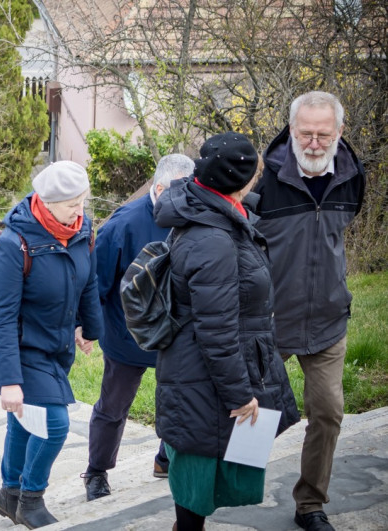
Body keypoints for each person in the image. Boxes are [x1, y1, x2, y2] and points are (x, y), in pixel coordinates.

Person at [153, 132, 300, 531]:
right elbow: (216, 330)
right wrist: (239, 395)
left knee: (207, 467)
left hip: (219, 366)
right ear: (241, 179)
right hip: (206, 374)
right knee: (197, 475)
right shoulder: (213, 238)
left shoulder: (216, 214)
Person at [254, 91, 365, 531]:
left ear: (339, 131)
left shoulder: (352, 176)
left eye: (323, 134)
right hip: (269, 320)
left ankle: (310, 505)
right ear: (291, 130)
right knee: (254, 412)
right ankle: (234, 488)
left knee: (328, 413)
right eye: (306, 134)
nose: (314, 143)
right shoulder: (263, 180)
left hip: (327, 320)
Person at [0, 161, 104, 528]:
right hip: (17, 343)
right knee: (55, 423)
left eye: (82, 202)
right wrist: (9, 381)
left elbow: (88, 281)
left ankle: (9, 494)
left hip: (53, 339)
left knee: (26, 420)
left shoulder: (82, 230)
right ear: (46, 202)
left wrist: (89, 328)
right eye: (71, 205)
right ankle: (31, 500)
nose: (79, 211)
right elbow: (2, 318)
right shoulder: (14, 244)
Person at [82, 154, 195, 501]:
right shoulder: (123, 224)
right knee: (113, 407)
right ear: (159, 189)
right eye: (179, 193)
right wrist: (86, 326)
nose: (187, 200)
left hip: (175, 335)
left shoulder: (193, 217)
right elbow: (97, 281)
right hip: (127, 335)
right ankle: (97, 471)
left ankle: (165, 459)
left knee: (178, 401)